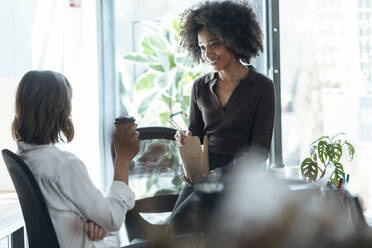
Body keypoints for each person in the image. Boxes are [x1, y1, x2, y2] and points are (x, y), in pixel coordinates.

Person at [169, 0, 275, 235]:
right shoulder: (200, 86)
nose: (208, 54)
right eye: (203, 47)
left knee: (193, 225)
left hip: (241, 176)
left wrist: (220, 174)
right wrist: (186, 143)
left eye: (214, 44)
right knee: (177, 225)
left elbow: (260, 152)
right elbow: (195, 133)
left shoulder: (262, 88)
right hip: (205, 174)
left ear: (234, 40)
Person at [11, 70, 149, 248]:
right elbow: (113, 219)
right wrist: (122, 159)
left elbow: (60, 210)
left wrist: (92, 220)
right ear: (61, 111)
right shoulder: (63, 165)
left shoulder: (25, 158)